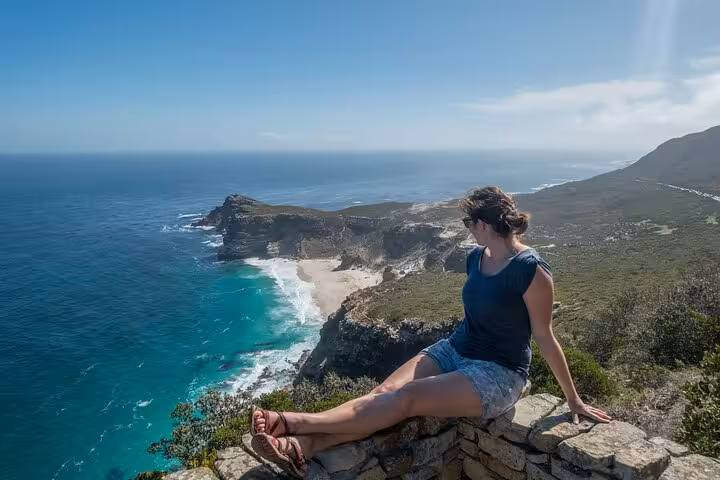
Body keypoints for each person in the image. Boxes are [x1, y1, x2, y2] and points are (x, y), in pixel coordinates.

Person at [250, 186, 611, 477]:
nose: (467, 229)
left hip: (498, 373)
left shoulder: (531, 270)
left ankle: (292, 423)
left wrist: (574, 400)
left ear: (485, 224)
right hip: (456, 347)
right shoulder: (475, 258)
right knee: (386, 393)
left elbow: (545, 337)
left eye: (469, 221)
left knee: (403, 400)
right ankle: (304, 448)